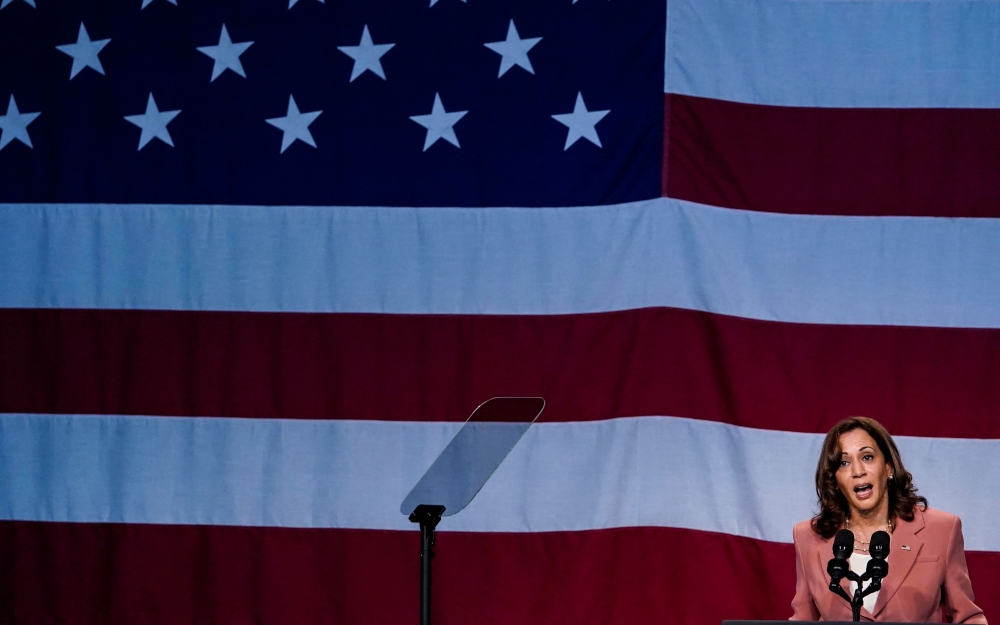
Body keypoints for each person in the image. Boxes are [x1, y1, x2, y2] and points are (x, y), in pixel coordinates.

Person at [790, 416, 986, 623]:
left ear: (889, 467)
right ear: (835, 479)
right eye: (844, 463)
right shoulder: (808, 537)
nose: (858, 471)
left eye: (867, 457)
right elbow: (803, 619)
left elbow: (968, 618)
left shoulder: (941, 529)